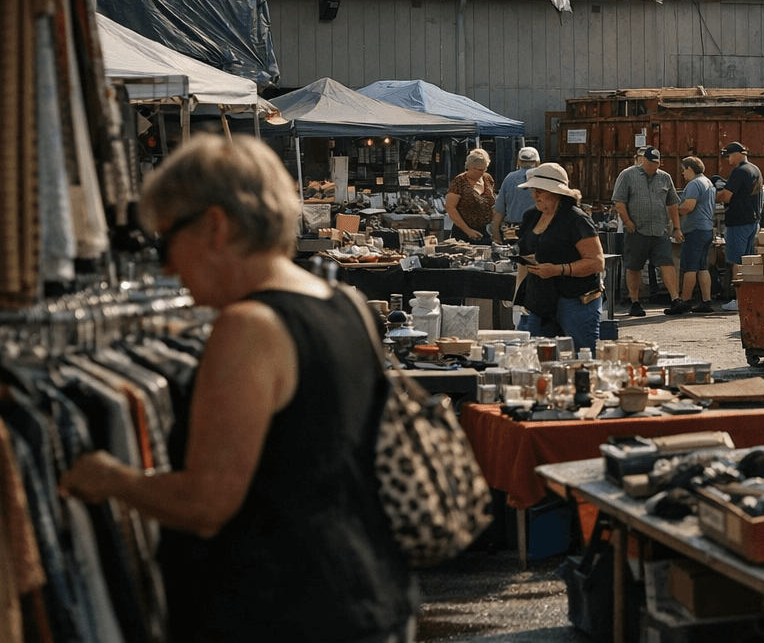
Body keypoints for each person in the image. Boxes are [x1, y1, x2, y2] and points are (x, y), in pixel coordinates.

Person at [60, 134, 416, 643]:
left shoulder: (249, 328)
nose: (166, 267)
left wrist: (112, 478)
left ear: (214, 225)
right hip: (365, 590)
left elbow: (206, 505)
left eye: (166, 240)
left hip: (278, 609)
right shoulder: (346, 304)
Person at [515, 162, 605, 352]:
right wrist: (519, 297)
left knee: (581, 356)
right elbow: (525, 258)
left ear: (556, 192)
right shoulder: (531, 216)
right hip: (540, 298)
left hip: (576, 299)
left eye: (540, 190)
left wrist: (557, 270)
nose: (534, 195)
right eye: (533, 190)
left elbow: (597, 263)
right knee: (534, 354)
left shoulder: (576, 219)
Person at [612, 146, 683, 318]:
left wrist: (677, 227)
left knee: (667, 263)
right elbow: (619, 202)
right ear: (643, 160)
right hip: (637, 229)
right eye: (650, 163)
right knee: (634, 266)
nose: (653, 167)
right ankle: (635, 302)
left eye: (656, 164)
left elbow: (672, 203)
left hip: (659, 230)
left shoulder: (665, 178)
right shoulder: (627, 175)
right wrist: (627, 221)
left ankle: (675, 300)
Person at [668, 156, 718, 315]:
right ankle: (706, 301)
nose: (683, 173)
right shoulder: (708, 183)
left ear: (690, 168)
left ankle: (685, 302)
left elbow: (688, 207)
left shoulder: (694, 184)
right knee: (702, 267)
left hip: (695, 229)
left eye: (683, 170)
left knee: (690, 267)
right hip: (707, 229)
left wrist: (673, 213)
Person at [716, 142, 763, 308]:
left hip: (738, 222)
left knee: (737, 262)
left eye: (729, 155)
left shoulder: (739, 171)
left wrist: (712, 193)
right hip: (753, 221)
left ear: (737, 154)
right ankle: (749, 298)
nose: (728, 159)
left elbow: (726, 196)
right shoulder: (755, 169)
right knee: (748, 261)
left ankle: (738, 300)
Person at [491, 145, 541, 244]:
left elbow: (500, 209)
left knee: (513, 258)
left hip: (512, 230)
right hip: (538, 228)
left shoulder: (509, 178)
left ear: (518, 162)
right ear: (537, 162)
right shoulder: (542, 179)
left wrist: (495, 231)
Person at [446, 147, 496, 241]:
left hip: (486, 231)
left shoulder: (488, 179)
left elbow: (492, 204)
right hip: (463, 232)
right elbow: (450, 207)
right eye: (479, 170)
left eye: (484, 169)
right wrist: (468, 231)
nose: (482, 173)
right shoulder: (460, 181)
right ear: (470, 167)